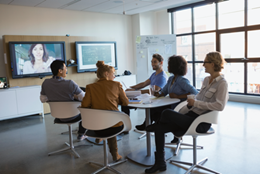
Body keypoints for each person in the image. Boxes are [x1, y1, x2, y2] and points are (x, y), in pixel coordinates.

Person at [144, 51, 229, 173]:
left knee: (166, 112)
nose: (203, 65)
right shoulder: (206, 80)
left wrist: (195, 103)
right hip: (190, 116)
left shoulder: (222, 83)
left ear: (213, 63)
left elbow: (219, 106)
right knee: (159, 128)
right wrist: (191, 101)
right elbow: (198, 96)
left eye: (205, 62)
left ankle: (156, 124)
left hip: (201, 121)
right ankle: (160, 163)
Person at [81, 60, 129, 162]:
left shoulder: (90, 87)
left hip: (95, 126)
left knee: (105, 120)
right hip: (113, 126)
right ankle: (115, 154)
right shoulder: (116, 85)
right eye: (113, 74)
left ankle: (100, 137)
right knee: (112, 121)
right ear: (106, 74)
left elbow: (84, 105)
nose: (114, 76)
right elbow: (125, 103)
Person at [150, 55, 198, 143]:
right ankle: (158, 126)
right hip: (172, 105)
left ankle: (160, 127)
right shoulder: (171, 78)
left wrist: (178, 96)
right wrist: (159, 93)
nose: (167, 67)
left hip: (180, 108)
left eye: (169, 65)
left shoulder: (182, 80)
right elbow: (164, 91)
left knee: (161, 111)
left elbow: (195, 93)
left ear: (174, 66)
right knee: (153, 109)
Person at [40, 60, 87, 141]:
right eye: (65, 68)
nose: (67, 70)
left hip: (58, 116)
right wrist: (74, 97)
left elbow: (43, 99)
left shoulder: (46, 83)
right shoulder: (70, 83)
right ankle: (81, 134)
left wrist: (55, 96)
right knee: (86, 112)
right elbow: (84, 98)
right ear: (60, 71)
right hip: (73, 115)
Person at [122, 53, 168, 131]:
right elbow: (144, 84)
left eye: (155, 62)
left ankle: (146, 124)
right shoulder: (154, 74)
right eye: (152, 62)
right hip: (149, 98)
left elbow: (154, 91)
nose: (152, 64)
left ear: (161, 63)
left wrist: (136, 91)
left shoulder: (162, 76)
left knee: (130, 103)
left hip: (156, 101)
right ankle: (125, 127)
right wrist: (131, 87)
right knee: (125, 104)